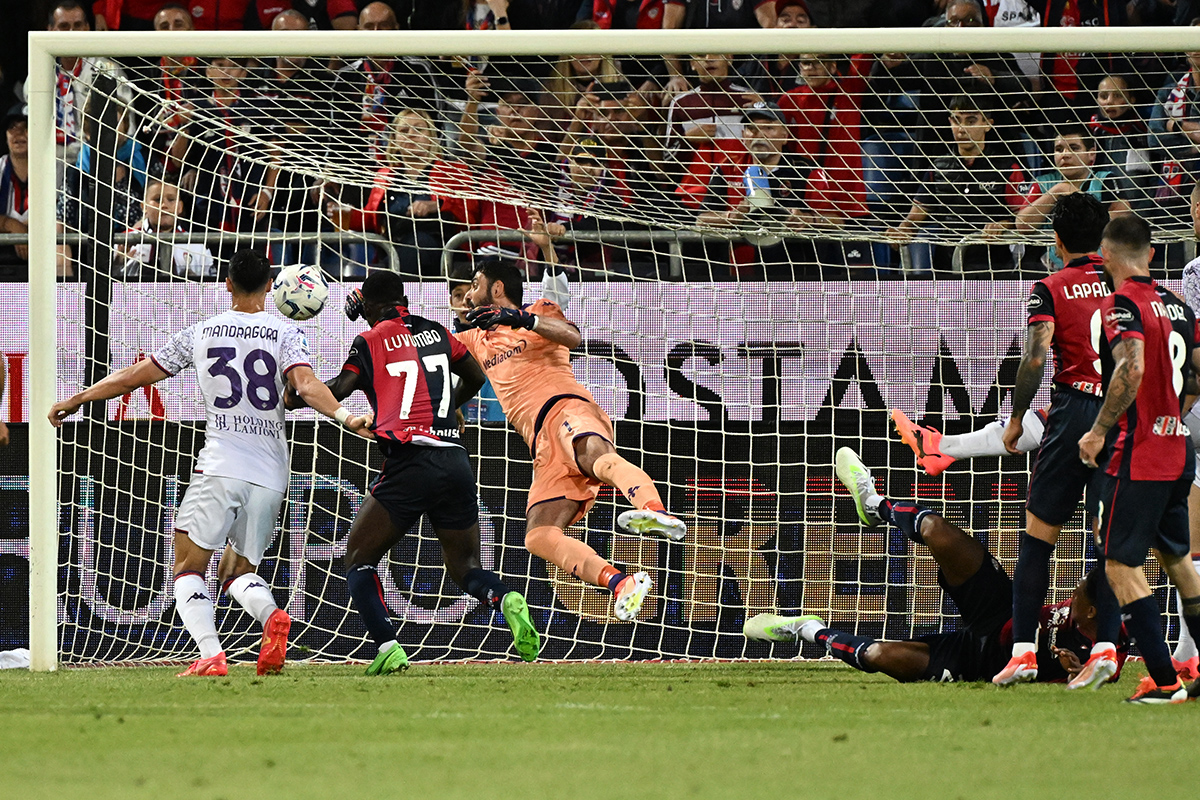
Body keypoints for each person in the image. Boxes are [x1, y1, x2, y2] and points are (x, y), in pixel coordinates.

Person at [47, 250, 373, 677]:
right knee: (238, 571)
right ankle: (271, 614)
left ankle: (210, 655)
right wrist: (349, 418)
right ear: (271, 284)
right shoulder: (286, 333)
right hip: (272, 472)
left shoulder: (201, 332)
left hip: (220, 464)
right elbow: (307, 385)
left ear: (228, 284)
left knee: (188, 566)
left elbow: (136, 375)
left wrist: (79, 397)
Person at [287, 271, 539, 672]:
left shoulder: (369, 340)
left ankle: (387, 646)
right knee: (466, 567)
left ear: (368, 306)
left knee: (358, 559)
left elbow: (340, 386)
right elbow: (475, 374)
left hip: (409, 460)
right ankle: (504, 597)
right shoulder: (438, 331)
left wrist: (296, 397)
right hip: (454, 460)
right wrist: (449, 407)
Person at [457, 218, 687, 622]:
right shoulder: (473, 339)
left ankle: (656, 511)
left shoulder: (538, 313)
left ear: (496, 289)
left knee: (594, 455)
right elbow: (431, 359)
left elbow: (573, 337)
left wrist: (521, 316)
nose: (465, 297)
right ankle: (622, 583)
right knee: (538, 536)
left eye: (473, 287)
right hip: (539, 445)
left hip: (565, 407)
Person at [745, 447, 1129, 685]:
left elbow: (1083, 685)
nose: (1072, 594)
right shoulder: (1092, 608)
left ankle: (805, 628)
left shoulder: (1108, 648)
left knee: (879, 656)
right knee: (935, 530)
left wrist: (1070, 675)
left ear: (1093, 611)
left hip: (977, 662)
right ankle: (875, 504)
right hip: (1000, 608)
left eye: (1078, 594)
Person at [986, 193, 1120, 688]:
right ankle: (1107, 647)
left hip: (1073, 412)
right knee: (1108, 541)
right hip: (1120, 414)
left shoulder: (1050, 286)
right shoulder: (1124, 285)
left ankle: (1023, 652)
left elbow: (1036, 358)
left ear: (1057, 239)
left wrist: (1017, 417)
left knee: (1038, 537)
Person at [1077, 214, 1200, 703]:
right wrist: (1172, 414)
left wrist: (1097, 431)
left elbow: (1130, 369)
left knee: (1120, 566)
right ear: (1150, 253)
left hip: (1140, 455)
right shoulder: (1178, 306)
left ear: (1105, 256)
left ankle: (1165, 682)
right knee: (1179, 563)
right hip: (1178, 449)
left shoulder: (1120, 303)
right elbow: (1194, 377)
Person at [1011, 127, 1130, 269]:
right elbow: (1022, 225)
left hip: (1099, 266)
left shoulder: (1106, 180)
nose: (1065, 155)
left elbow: (1122, 222)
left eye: (1074, 148)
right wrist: (1057, 191)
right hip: (1053, 267)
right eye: (1059, 149)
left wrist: (1075, 196)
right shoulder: (1043, 183)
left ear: (1091, 154)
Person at [115, 177, 215, 279]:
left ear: (180, 207)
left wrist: (196, 284)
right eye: (157, 199)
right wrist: (116, 264)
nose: (164, 205)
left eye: (171, 199)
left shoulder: (197, 246)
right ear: (144, 206)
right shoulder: (122, 242)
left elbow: (212, 289)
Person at [0, 108, 29, 279]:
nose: (18, 134)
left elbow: (62, 215)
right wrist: (14, 226)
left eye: (24, 127)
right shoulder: (0, 167)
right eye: (12, 128)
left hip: (43, 242)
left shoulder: (56, 168)